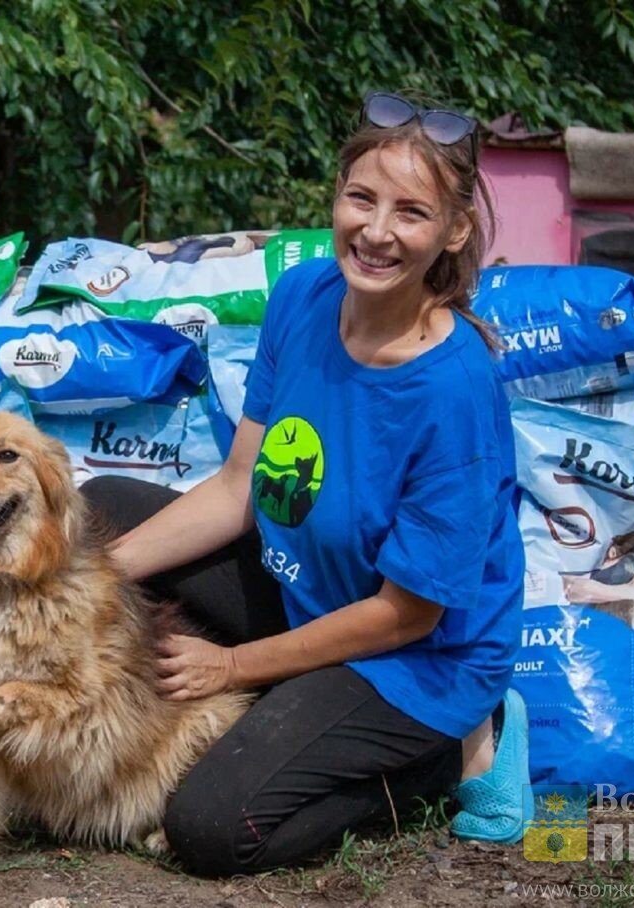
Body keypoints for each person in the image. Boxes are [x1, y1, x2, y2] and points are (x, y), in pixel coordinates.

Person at [82, 90, 529, 876]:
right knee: (100, 518)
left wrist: (231, 669)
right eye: (361, 198)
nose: (377, 231)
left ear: (454, 232)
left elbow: (405, 615)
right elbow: (237, 488)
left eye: (411, 213)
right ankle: (286, 708)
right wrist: (82, 582)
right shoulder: (304, 297)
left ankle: (440, 759)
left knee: (211, 827)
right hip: (309, 591)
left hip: (413, 659)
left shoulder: (453, 392)